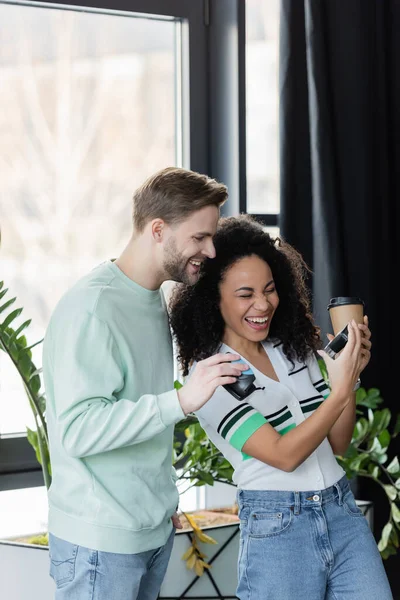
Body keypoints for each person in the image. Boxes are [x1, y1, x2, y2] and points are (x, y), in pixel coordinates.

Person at [42, 167, 251, 600]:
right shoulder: (93, 308)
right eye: (200, 238)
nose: (211, 251)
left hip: (148, 532)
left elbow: (137, 414)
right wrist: (182, 400)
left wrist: (158, 505)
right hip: (100, 544)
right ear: (158, 230)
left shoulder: (151, 297)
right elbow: (78, 430)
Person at [169, 214, 393, 600]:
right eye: (245, 294)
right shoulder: (211, 378)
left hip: (340, 511)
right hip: (278, 524)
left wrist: (349, 374)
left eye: (269, 289)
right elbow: (284, 455)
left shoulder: (292, 349)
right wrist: (339, 392)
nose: (263, 304)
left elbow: (337, 444)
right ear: (213, 300)